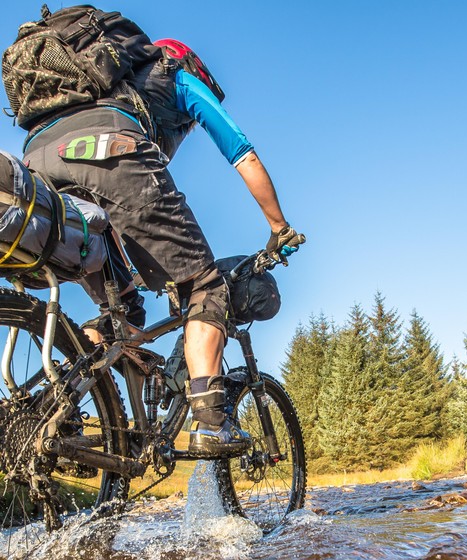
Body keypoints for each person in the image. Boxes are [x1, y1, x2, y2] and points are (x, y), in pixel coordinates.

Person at [20, 26, 305, 458]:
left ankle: (67, 412)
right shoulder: (180, 77)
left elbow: (117, 217)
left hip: (36, 162)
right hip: (107, 147)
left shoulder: (98, 90)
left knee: (122, 311)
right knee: (206, 288)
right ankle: (210, 424)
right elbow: (241, 151)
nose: (185, 128)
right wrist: (279, 227)